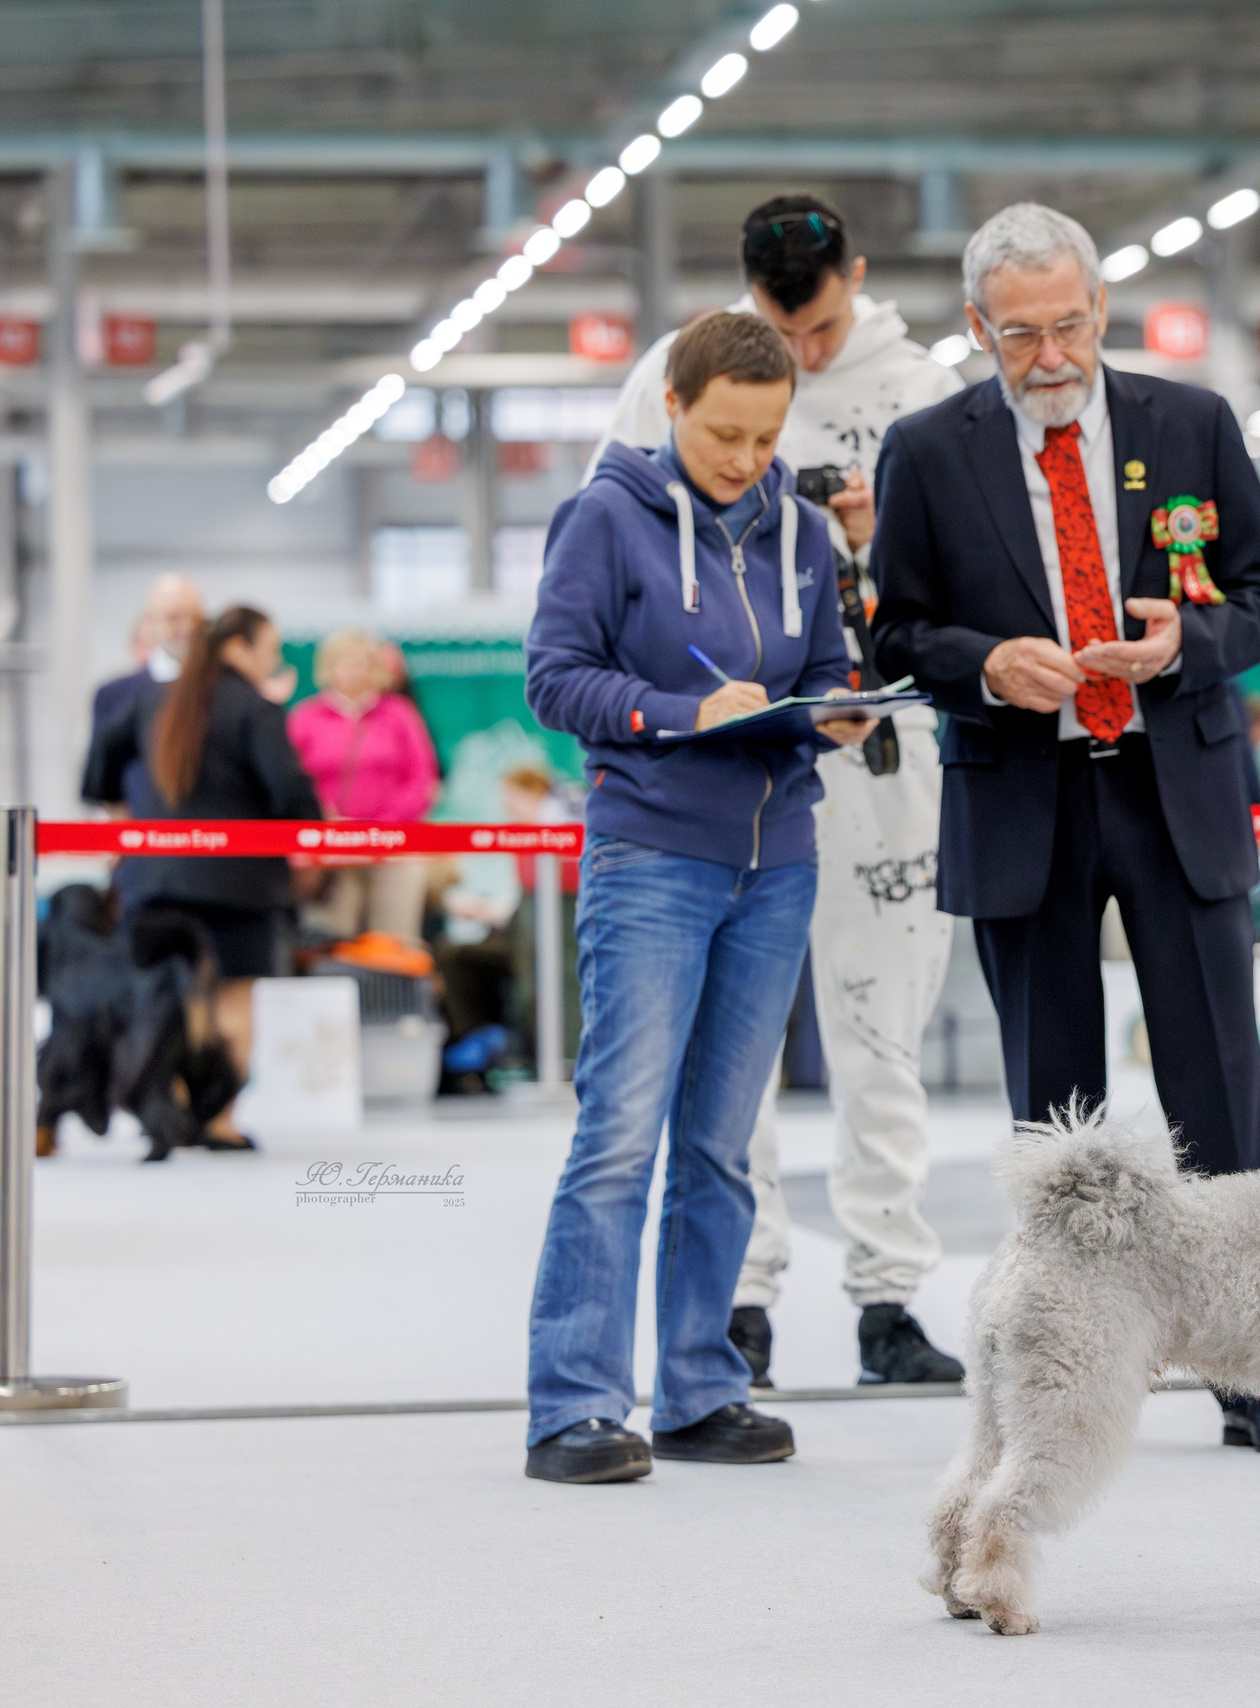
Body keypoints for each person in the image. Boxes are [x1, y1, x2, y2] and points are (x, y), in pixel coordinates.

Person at [870, 202, 1260, 1454]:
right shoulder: (926, 451)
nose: (1049, 355)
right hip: (1025, 799)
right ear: (975, 328)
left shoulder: (1194, 425)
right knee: (1053, 1114)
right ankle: (1065, 1378)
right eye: (1019, 334)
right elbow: (894, 633)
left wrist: (1189, 644)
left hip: (1175, 788)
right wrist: (986, 661)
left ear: (1102, 311)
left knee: (1218, 1092)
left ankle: (1253, 1376)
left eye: (1068, 324)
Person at [595, 192, 968, 1389]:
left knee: (881, 1026)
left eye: (819, 330)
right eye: (778, 326)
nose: (801, 355)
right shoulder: (675, 368)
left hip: (877, 746)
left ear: (856, 278)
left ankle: (889, 1295)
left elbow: (975, 562)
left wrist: (883, 524)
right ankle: (738, 1299)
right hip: (732, 747)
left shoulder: (919, 386)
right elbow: (619, 535)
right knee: (733, 1044)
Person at [520, 312, 874, 1485]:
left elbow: (823, 665)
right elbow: (554, 679)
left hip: (777, 865)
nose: (744, 457)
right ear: (670, 408)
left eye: (766, 437)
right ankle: (572, 1404)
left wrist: (838, 706)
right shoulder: (603, 518)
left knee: (722, 1149)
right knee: (619, 1138)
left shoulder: (806, 532)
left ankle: (700, 1385)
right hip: (652, 860)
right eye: (724, 432)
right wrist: (680, 714)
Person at [83, 604, 324, 1148]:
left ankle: (175, 1112)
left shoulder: (148, 698)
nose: (274, 659)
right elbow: (289, 793)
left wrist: (127, 808)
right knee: (234, 998)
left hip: (152, 880)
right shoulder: (254, 709)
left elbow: (97, 771)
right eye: (270, 648)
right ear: (238, 648)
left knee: (171, 999)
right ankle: (220, 1121)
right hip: (238, 884)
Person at [287, 628, 443, 944]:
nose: (352, 669)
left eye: (360, 661)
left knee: (395, 944)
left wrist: (381, 827)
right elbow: (291, 779)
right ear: (327, 668)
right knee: (328, 940)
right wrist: (324, 817)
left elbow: (421, 778)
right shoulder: (305, 717)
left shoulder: (400, 715)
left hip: (394, 847)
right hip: (330, 849)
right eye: (344, 661)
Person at [83, 575, 206, 822]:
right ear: (151, 623)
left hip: (212, 841)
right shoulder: (116, 696)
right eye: (173, 617)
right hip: (141, 840)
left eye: (193, 618)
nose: (186, 627)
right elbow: (101, 780)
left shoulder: (225, 692)